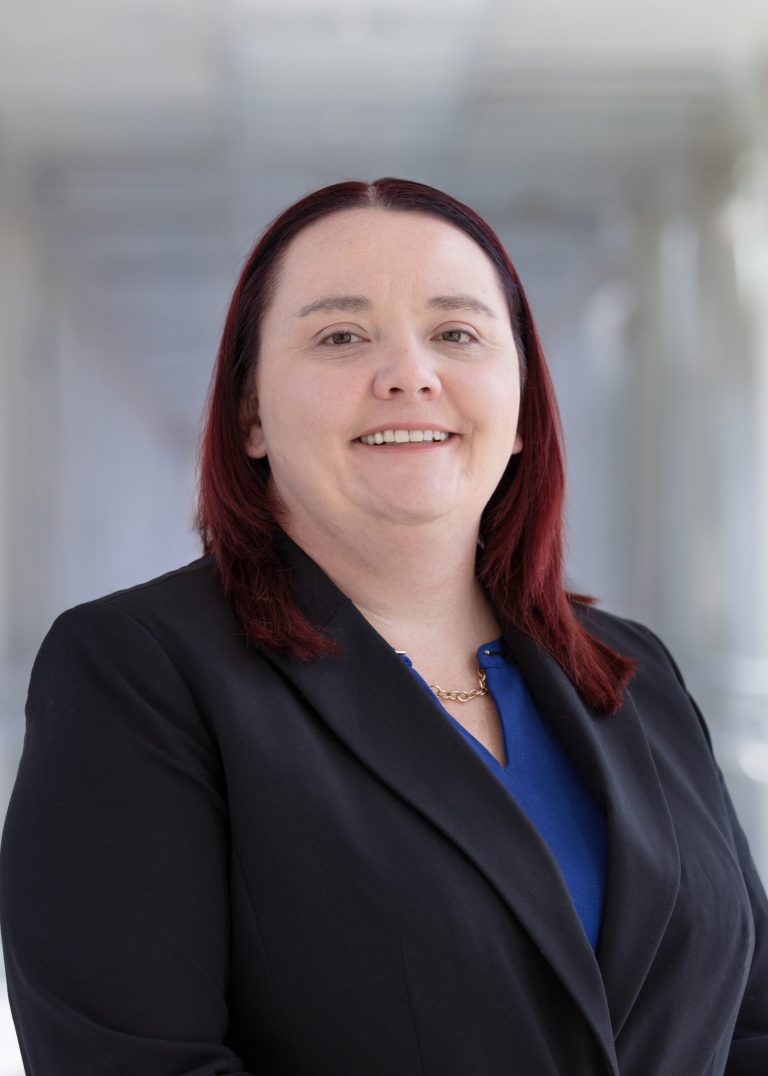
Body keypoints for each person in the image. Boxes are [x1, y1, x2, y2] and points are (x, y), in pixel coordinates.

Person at [0, 177, 766, 1076]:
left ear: (522, 408)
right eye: (340, 336)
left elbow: (748, 1022)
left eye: (456, 334)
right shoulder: (140, 673)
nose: (410, 372)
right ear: (249, 413)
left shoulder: (634, 670)